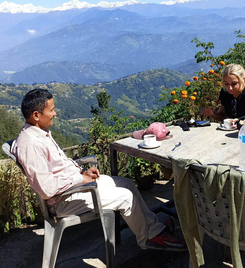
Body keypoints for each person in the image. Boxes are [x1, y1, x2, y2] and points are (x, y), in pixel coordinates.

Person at [11, 89, 186, 251]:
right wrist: (81, 179)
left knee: (127, 184)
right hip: (63, 200)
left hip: (73, 187)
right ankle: (148, 238)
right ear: (36, 115)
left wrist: (82, 174)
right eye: (52, 110)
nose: (55, 113)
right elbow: (46, 188)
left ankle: (154, 229)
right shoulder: (30, 144)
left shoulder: (39, 133)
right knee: (125, 197)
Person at [200, 63, 245, 130]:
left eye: (234, 84)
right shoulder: (225, 92)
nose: (230, 88)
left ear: (243, 79)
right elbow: (224, 117)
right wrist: (212, 114)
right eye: (226, 84)